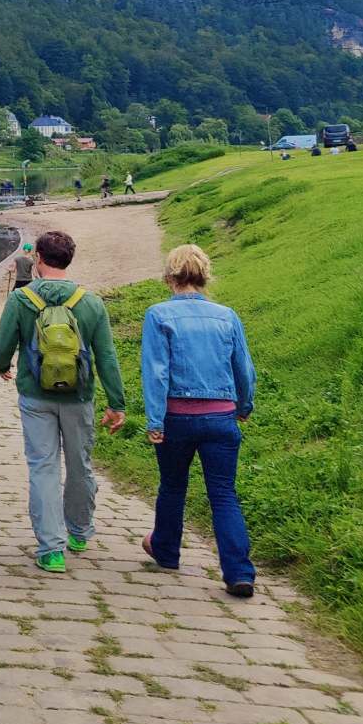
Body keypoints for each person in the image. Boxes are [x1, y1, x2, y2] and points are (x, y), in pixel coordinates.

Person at [0, 229, 128, 573]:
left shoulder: (21, 299)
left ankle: (51, 549)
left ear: (38, 258)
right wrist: (117, 403)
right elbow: (107, 357)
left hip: (35, 395)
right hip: (79, 396)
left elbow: (2, 344)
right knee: (80, 464)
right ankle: (79, 532)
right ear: (69, 259)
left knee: (43, 466)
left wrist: (2, 365)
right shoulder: (90, 302)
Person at [140, 245, 257, 597]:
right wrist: (244, 406)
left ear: (170, 276)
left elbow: (156, 373)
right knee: (223, 494)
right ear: (205, 275)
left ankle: (166, 550)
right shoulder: (226, 316)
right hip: (221, 418)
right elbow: (243, 368)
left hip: (176, 417)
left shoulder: (158, 314)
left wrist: (155, 421)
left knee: (173, 486)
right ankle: (239, 572)